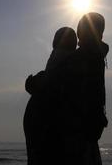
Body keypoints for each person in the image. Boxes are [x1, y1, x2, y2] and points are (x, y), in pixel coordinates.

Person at [60, 12, 109, 165]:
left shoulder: (81, 57)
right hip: (90, 129)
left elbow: (56, 80)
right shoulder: (97, 55)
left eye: (81, 29)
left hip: (78, 132)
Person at [23, 27, 77, 165]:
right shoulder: (69, 60)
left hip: (47, 128)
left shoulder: (62, 59)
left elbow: (49, 81)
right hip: (47, 127)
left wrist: (34, 83)